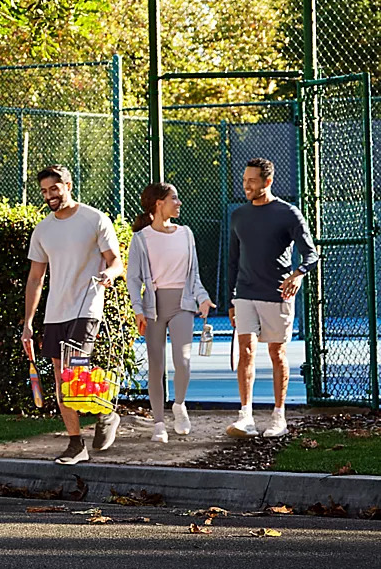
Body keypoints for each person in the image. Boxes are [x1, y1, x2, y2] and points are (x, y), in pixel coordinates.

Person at [21, 165, 124, 465]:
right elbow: (35, 279)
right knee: (60, 375)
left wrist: (108, 275)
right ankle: (77, 442)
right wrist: (28, 323)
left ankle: (104, 412)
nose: (49, 196)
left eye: (54, 189)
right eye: (44, 191)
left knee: (74, 371)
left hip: (87, 307)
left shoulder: (94, 219)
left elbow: (116, 262)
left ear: (68, 185)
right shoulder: (43, 229)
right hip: (55, 313)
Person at [226, 158, 317, 439]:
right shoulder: (238, 215)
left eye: (252, 181)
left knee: (277, 354)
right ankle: (246, 417)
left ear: (268, 181)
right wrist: (231, 301)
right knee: (246, 351)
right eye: (244, 180)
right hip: (245, 295)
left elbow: (311, 254)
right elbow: (233, 261)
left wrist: (298, 274)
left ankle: (279, 417)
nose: (246, 185)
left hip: (277, 295)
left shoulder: (288, 213)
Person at [125, 183, 215, 443]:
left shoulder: (186, 234)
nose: (179, 203)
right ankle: (159, 424)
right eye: (174, 198)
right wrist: (138, 309)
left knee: (183, 361)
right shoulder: (140, 239)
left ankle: (179, 405)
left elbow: (194, 275)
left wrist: (203, 298)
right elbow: (133, 279)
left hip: (182, 305)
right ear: (159, 203)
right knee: (156, 366)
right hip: (153, 309)